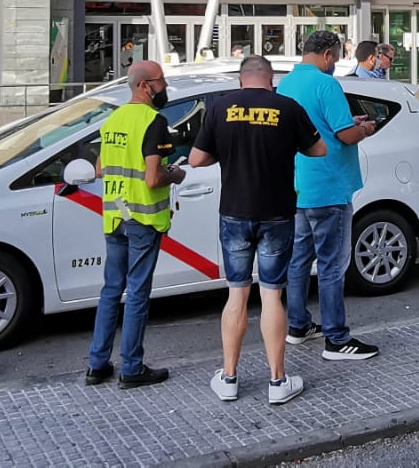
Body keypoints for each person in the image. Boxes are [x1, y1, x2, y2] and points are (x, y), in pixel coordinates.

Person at [189, 56, 326, 406]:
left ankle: (230, 377)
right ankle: (278, 381)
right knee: (270, 294)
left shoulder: (220, 108)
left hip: (234, 212)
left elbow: (196, 160)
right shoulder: (287, 107)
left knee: (237, 293)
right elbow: (319, 149)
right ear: (270, 79)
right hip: (277, 213)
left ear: (240, 80)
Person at [278, 31, 381, 360]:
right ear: (326, 54)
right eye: (335, 56)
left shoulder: (286, 84)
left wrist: (349, 123)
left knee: (298, 261)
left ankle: (298, 325)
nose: (336, 63)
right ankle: (337, 338)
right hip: (329, 186)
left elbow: (321, 126)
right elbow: (346, 136)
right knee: (332, 265)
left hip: (298, 185)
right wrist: (364, 128)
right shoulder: (327, 85)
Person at [82, 60, 184, 389]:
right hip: (143, 219)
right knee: (138, 292)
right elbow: (154, 177)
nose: (164, 88)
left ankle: (97, 365)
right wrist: (176, 174)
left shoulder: (112, 121)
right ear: (144, 86)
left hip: (114, 217)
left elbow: (100, 169)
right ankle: (132, 367)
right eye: (160, 82)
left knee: (111, 291)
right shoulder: (153, 121)